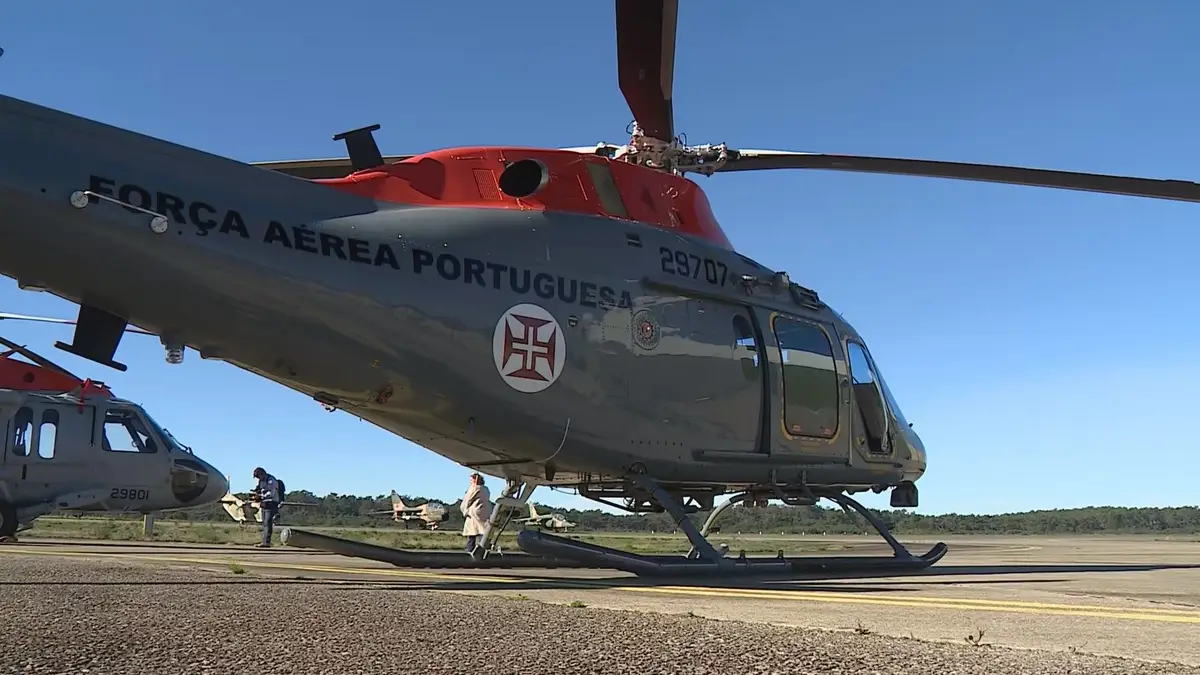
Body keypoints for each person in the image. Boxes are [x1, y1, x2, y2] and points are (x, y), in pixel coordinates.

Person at [460, 472, 491, 552]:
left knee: (472, 532)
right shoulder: (486, 489)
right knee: (482, 531)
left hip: (474, 513)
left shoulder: (474, 488)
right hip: (485, 511)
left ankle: (470, 550)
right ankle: (483, 549)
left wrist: (464, 510)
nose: (470, 482)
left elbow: (467, 500)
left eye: (471, 480)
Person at [251, 467, 281, 548]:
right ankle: (264, 541)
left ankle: (266, 542)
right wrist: (255, 493)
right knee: (264, 523)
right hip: (264, 503)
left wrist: (261, 496)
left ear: (262, 474)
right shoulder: (261, 481)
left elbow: (272, 493)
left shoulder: (271, 480)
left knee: (267, 522)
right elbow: (260, 490)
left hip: (271, 503)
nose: (258, 478)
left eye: (258, 476)